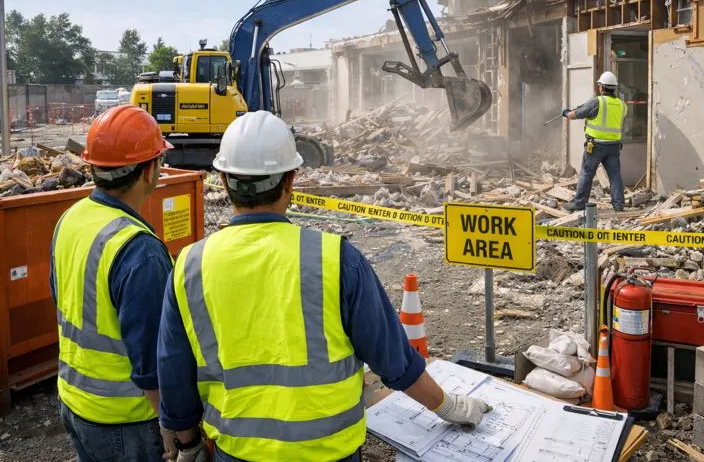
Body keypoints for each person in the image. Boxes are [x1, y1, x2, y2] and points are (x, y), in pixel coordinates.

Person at [157, 111, 492, 462]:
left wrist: (188, 443)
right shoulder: (335, 259)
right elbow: (393, 361)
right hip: (330, 452)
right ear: (291, 180)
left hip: (238, 452)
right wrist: (448, 406)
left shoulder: (190, 266)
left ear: (224, 180)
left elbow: (173, 369)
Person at [51, 105, 177, 462]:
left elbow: (62, 300)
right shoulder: (140, 251)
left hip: (75, 401)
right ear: (149, 170)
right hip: (126, 419)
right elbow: (152, 361)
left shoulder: (71, 218)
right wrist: (173, 432)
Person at [562, 71, 628, 212]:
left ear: (602, 87)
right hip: (614, 147)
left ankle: (579, 203)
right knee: (615, 175)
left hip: (595, 146)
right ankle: (619, 205)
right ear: (614, 88)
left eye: (599, 85)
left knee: (587, 173)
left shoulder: (597, 101)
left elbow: (576, 115)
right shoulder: (622, 105)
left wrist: (566, 113)